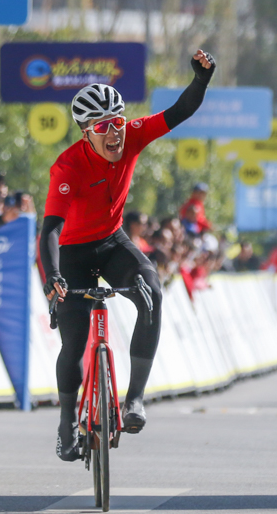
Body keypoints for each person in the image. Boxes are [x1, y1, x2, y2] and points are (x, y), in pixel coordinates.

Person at [39, 49, 215, 462]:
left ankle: (134, 400)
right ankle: (67, 423)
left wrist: (201, 80)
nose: (115, 133)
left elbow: (180, 111)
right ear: (86, 133)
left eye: (118, 122)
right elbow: (50, 230)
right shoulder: (67, 168)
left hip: (112, 241)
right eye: (103, 127)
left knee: (151, 289)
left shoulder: (133, 134)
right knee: (74, 342)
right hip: (71, 252)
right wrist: (53, 277)